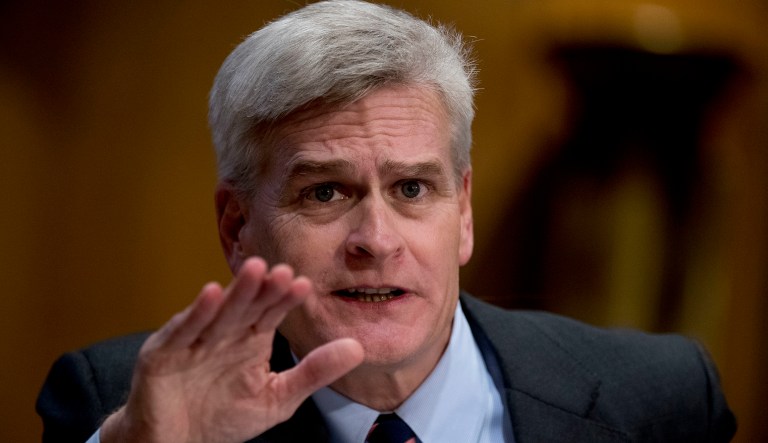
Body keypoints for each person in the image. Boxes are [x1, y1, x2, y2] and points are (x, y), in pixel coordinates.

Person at [36, 1, 736, 442]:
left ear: (462, 210)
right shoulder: (118, 402)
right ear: (237, 225)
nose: (376, 239)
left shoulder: (659, 398)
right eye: (325, 194)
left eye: (411, 187)